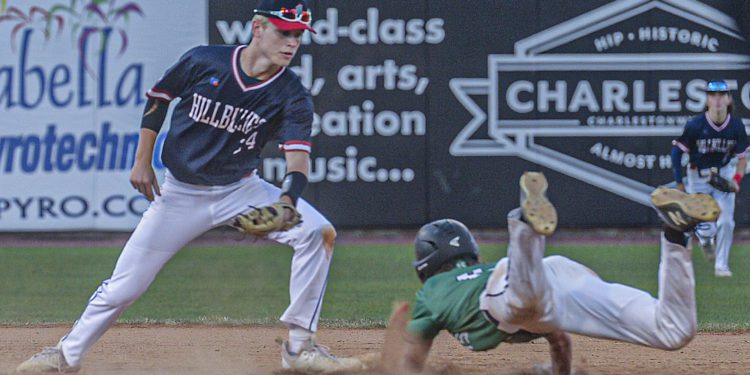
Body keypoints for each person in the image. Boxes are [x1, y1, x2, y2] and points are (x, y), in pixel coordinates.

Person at [16, 1, 362, 372]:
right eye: (284, 31)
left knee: (317, 232)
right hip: (179, 194)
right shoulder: (205, 61)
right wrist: (141, 160)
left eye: (298, 35)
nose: (292, 42)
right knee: (125, 286)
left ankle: (298, 347)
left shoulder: (292, 94)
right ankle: (65, 357)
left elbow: (297, 160)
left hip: (240, 191)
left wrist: (287, 201)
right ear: (258, 29)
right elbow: (159, 97)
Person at [381, 172, 719, 375]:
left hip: (510, 286)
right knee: (673, 331)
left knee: (520, 300)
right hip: (557, 276)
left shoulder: (434, 290)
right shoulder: (481, 271)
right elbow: (559, 339)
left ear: (426, 263)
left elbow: (411, 358)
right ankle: (675, 234)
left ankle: (524, 223)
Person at [671, 79, 749, 277]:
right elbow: (676, 153)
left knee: (726, 222)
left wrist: (737, 179)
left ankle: (721, 265)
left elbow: (742, 158)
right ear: (707, 100)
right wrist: (680, 183)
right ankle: (706, 241)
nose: (717, 100)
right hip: (698, 177)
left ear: (729, 99)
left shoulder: (736, 126)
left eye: (722, 95)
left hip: (723, 174)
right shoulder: (696, 125)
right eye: (713, 95)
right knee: (706, 228)